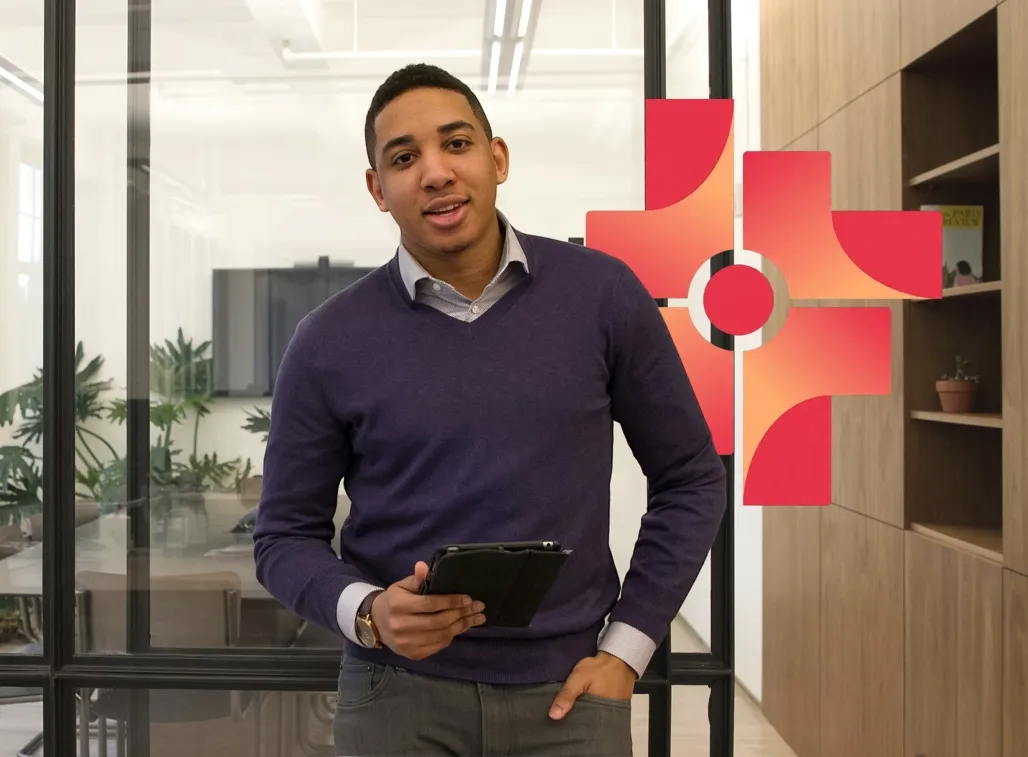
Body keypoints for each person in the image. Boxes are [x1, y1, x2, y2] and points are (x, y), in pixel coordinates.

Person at [253, 63, 727, 756]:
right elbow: (282, 537)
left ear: (496, 157)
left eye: (457, 143)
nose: (436, 172)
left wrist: (626, 649)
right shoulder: (328, 340)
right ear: (377, 189)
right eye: (404, 158)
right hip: (395, 700)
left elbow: (691, 477)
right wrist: (370, 612)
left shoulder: (602, 295)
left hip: (572, 696)